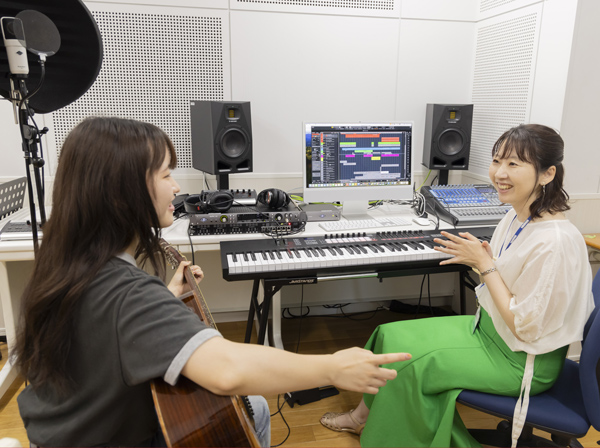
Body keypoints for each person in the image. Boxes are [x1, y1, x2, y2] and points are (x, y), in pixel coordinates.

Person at [12, 116, 412, 447]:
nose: (176, 187)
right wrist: (332, 367)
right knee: (253, 405)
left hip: (58, 435)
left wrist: (167, 298)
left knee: (251, 406)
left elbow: (106, 334)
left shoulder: (64, 266)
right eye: (166, 174)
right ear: (123, 192)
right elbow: (227, 370)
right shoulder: (126, 292)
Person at [319, 124, 595, 447]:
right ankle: (361, 418)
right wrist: (483, 260)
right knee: (390, 336)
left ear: (547, 174)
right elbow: (508, 280)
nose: (499, 173)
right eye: (497, 161)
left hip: (519, 361)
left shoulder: (555, 243)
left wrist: (484, 264)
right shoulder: (518, 216)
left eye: (513, 164)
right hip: (489, 332)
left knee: (407, 364)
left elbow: (525, 328)